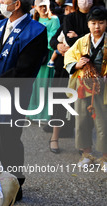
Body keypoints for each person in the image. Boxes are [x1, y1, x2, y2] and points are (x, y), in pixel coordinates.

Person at [0, 0, 48, 200]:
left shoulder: (35, 31)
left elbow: (27, 69)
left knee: (9, 138)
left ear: (17, 3)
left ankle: (14, 186)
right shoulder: (0, 25)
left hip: (14, 93)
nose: (0, 3)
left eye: (5, 0)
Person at [64, 6, 107, 170]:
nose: (97, 27)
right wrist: (76, 64)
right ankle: (86, 153)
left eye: (101, 23)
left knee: (103, 122)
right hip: (83, 85)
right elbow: (68, 57)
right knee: (82, 121)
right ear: (88, 24)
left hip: (103, 88)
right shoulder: (81, 41)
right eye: (93, 23)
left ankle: (105, 157)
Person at [47, 0, 75, 154]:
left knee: (78, 106)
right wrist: (58, 46)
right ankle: (54, 138)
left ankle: (84, 147)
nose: (68, 12)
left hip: (80, 70)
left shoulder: (88, 21)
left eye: (71, 9)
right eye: (66, 9)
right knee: (58, 101)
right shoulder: (64, 23)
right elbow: (53, 40)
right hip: (62, 69)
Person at [27, 0, 60, 121]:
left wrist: (39, 37)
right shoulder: (33, 20)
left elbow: (53, 41)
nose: (43, 9)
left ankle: (44, 115)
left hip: (47, 57)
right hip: (35, 57)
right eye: (40, 6)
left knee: (45, 85)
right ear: (35, 7)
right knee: (34, 86)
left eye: (45, 6)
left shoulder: (54, 20)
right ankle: (32, 113)